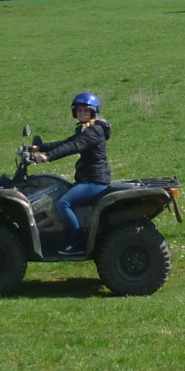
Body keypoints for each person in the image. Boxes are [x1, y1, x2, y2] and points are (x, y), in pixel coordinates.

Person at [30, 91, 113, 255]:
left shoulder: (94, 130)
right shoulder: (84, 129)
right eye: (80, 110)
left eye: (86, 111)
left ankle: (78, 244)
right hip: (87, 179)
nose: (82, 113)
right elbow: (67, 142)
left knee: (63, 203)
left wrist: (47, 157)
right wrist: (41, 148)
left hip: (94, 181)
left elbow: (74, 147)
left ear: (93, 113)